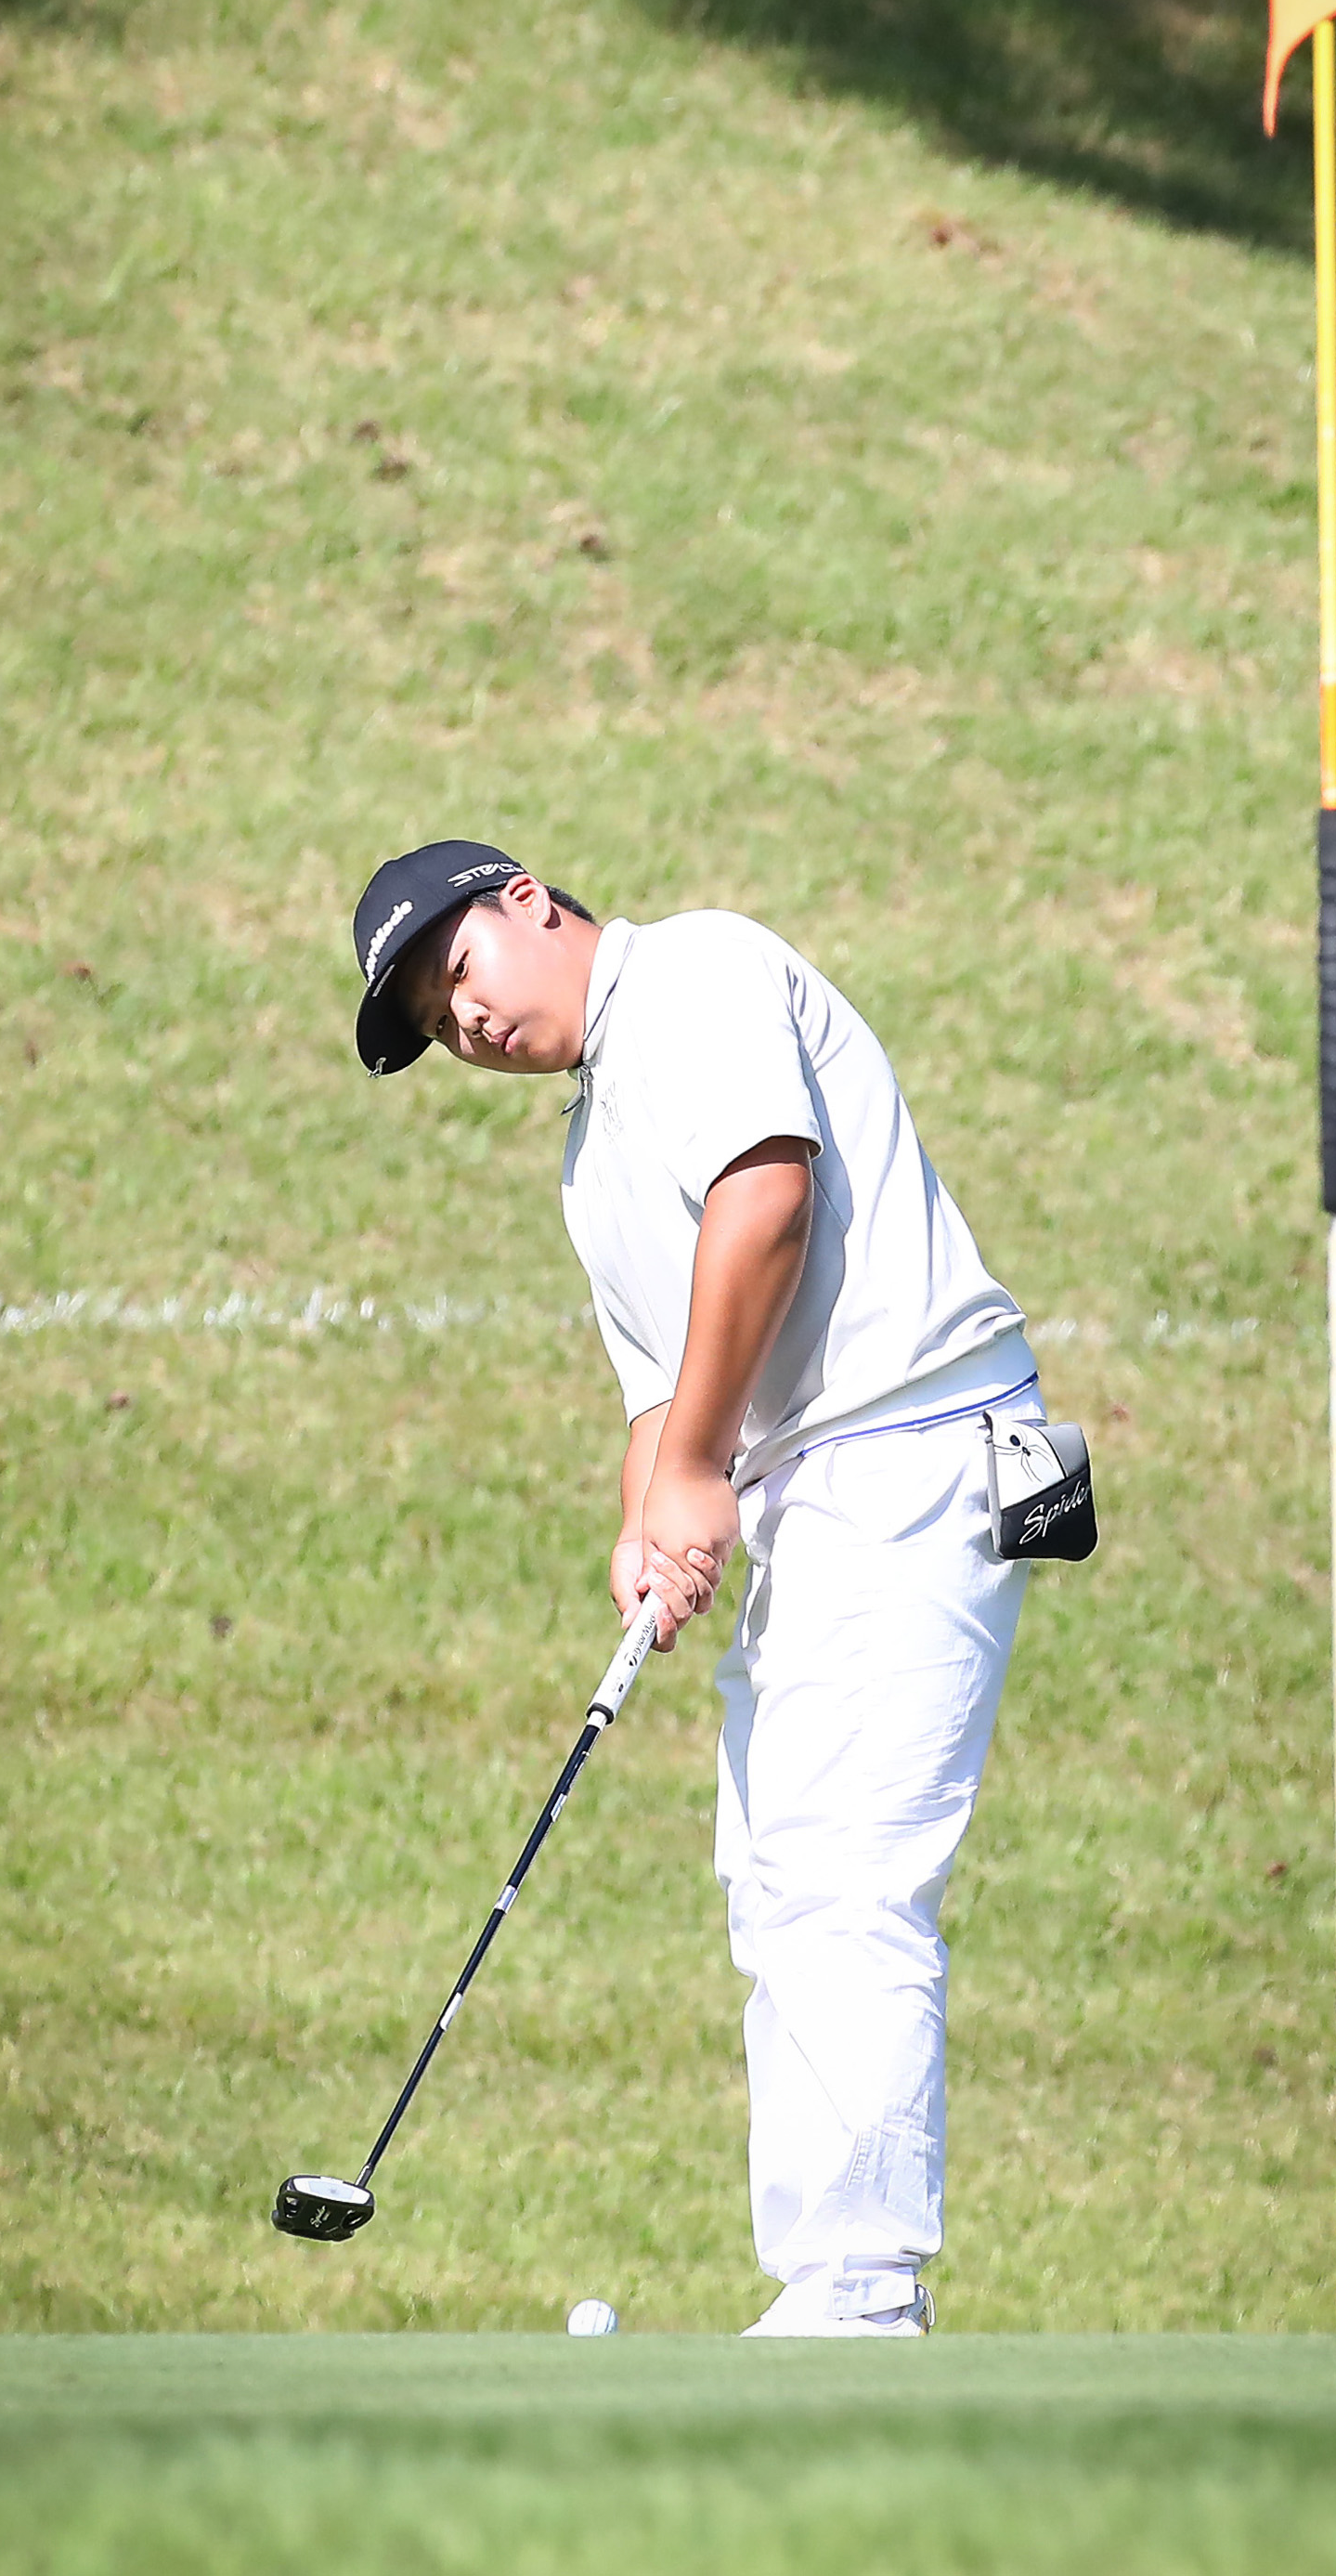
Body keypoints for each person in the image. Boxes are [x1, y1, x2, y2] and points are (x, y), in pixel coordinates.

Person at [351, 837, 1048, 2337]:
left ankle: (859, 2294)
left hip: (913, 1445)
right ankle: (829, 2284)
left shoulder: (700, 969)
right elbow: (657, 1387)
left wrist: (696, 1467)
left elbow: (767, 1205)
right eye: (431, 1017)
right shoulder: (588, 1151)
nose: (463, 1021)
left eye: (457, 969)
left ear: (527, 900)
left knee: (847, 1874)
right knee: (782, 1883)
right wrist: (643, 1519)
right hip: (819, 1492)